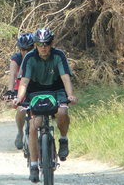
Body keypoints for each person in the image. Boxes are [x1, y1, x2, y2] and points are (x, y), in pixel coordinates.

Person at [13, 28, 78, 183]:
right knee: (35, 125)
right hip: (35, 91)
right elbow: (24, 82)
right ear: (36, 45)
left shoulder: (59, 55)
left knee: (62, 112)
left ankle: (63, 139)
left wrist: (70, 95)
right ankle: (34, 165)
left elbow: (65, 77)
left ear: (52, 43)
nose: (43, 47)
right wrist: (18, 98)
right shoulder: (29, 57)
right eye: (40, 44)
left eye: (47, 44)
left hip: (56, 90)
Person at [3, 33, 34, 150]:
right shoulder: (16, 58)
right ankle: (20, 132)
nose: (25, 52)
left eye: (29, 49)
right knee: (21, 109)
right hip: (20, 84)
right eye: (22, 49)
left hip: (35, 84)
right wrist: (10, 91)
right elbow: (12, 76)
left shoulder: (38, 56)